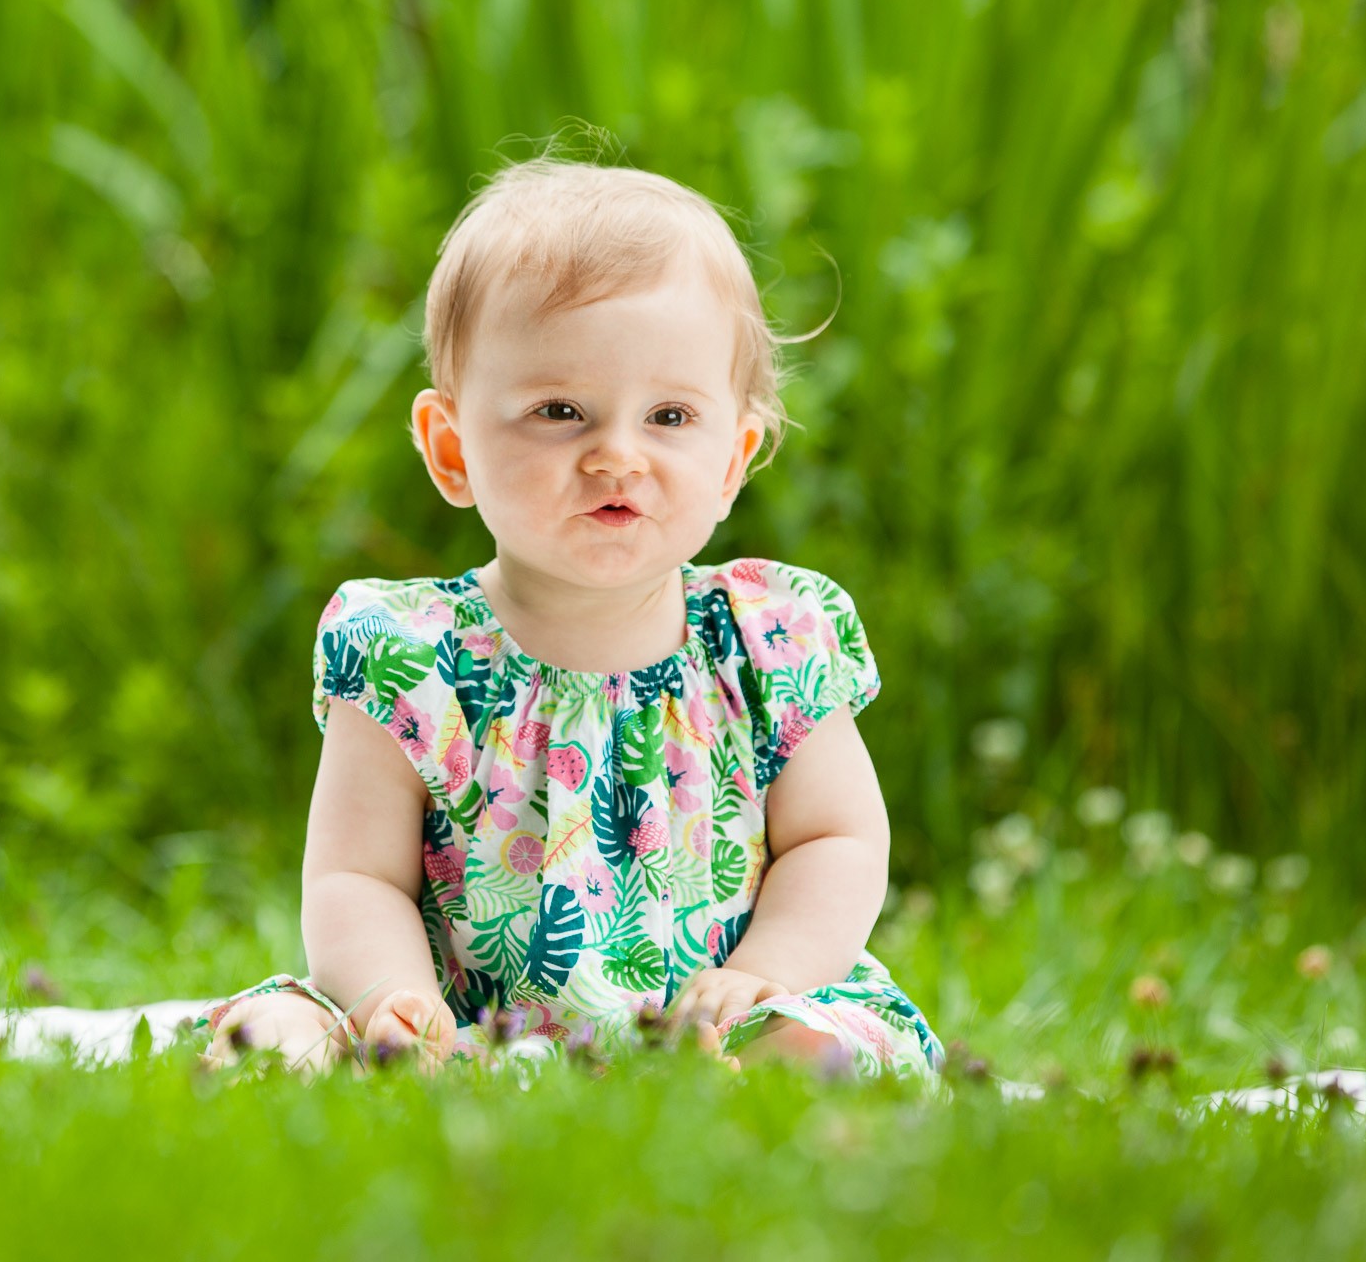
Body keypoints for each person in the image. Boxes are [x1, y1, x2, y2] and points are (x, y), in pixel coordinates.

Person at [195, 156, 946, 1086]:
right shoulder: (406, 658)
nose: (617, 456)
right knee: (278, 1026)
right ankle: (390, 1054)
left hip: (721, 1013)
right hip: (468, 1025)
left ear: (733, 459)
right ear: (451, 448)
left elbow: (838, 840)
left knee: (819, 1044)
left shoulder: (771, 638)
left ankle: (756, 1065)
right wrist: (396, 994)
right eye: (560, 412)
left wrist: (768, 974)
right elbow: (357, 877)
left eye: (670, 415)